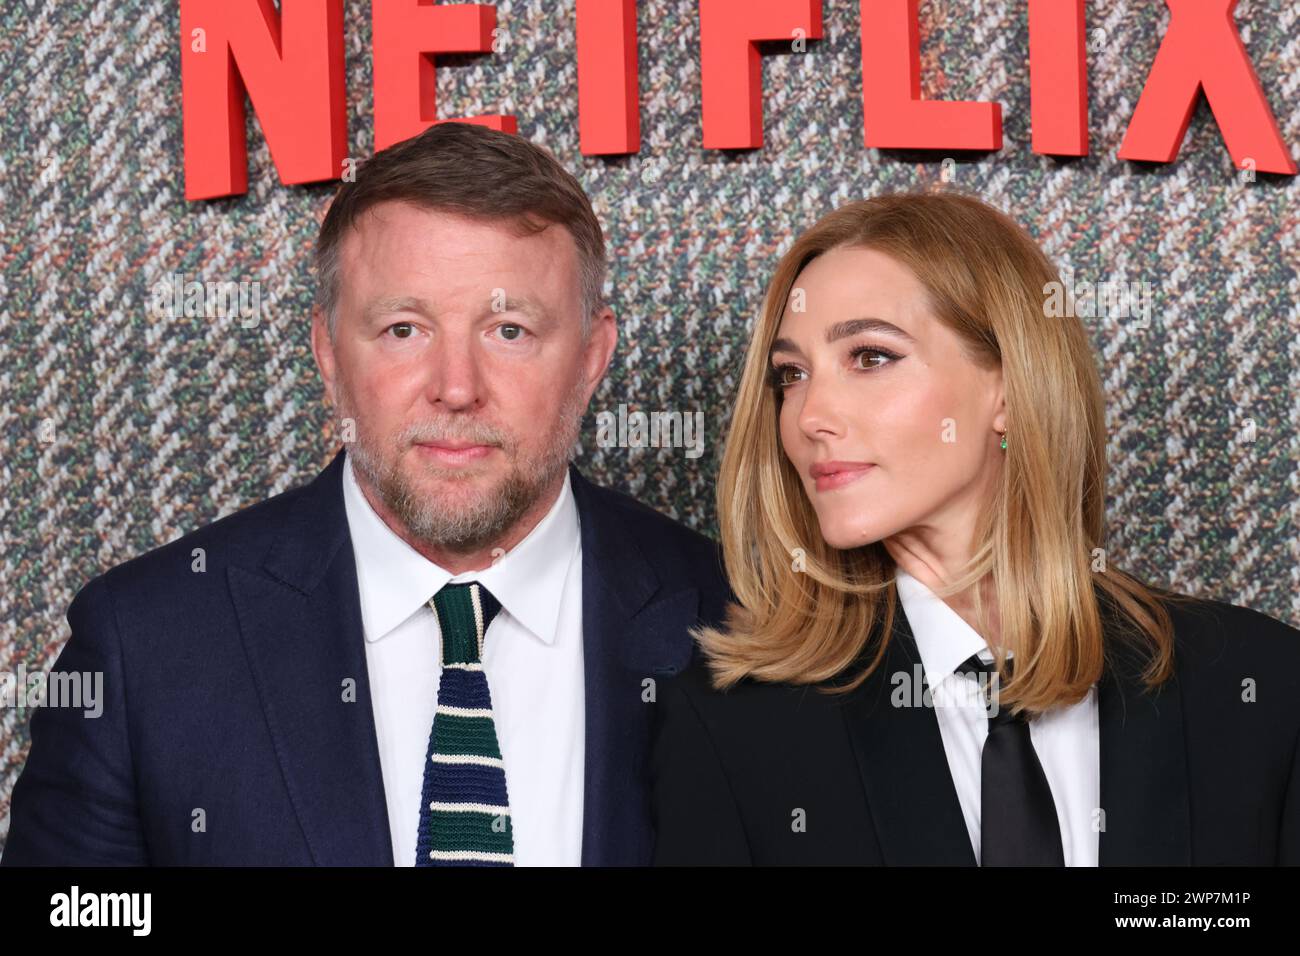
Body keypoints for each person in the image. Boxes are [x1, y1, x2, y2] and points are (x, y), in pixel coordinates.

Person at [3, 121, 729, 866]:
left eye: (508, 330)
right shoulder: (144, 646)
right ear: (327, 351)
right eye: (403, 329)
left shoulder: (746, 624)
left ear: (591, 356)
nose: (455, 388)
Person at [650, 191, 1300, 866]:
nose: (809, 414)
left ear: (1010, 390)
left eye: (869, 357)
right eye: (791, 374)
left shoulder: (1259, 687)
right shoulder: (734, 726)